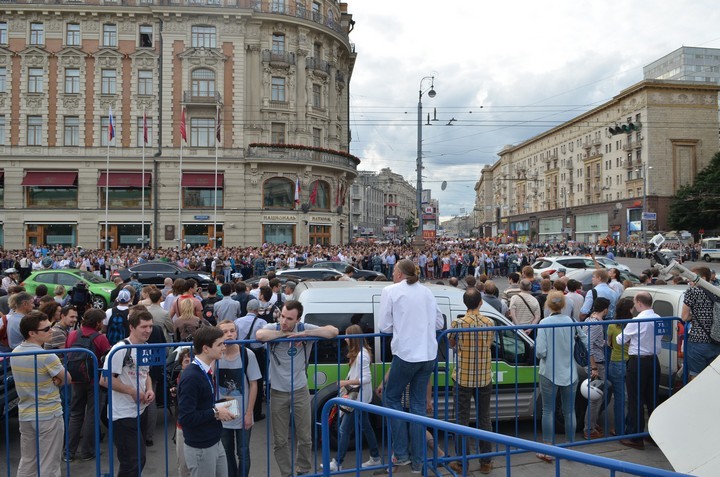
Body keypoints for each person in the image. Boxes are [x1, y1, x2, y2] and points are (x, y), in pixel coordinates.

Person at [256, 300, 339, 477]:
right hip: (277, 391)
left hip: (300, 389)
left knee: (305, 437)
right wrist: (283, 334)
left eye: (289, 319)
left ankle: (303, 471)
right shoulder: (275, 326)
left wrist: (306, 334)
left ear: (298, 319)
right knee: (280, 440)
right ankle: (287, 474)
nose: (284, 321)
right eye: (283, 316)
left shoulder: (303, 327)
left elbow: (333, 331)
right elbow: (260, 335)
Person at [377, 258, 444, 474]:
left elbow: (384, 326)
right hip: (428, 354)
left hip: (407, 354)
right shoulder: (427, 291)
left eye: (395, 270)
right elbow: (439, 323)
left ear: (399, 274)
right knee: (417, 407)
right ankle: (418, 461)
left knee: (391, 397)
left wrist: (403, 324)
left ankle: (402, 454)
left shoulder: (391, 291)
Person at [100, 308, 155, 477]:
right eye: (143, 327)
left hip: (140, 410)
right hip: (122, 414)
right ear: (132, 327)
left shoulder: (146, 347)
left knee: (139, 459)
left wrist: (150, 389)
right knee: (132, 461)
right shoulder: (120, 349)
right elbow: (105, 379)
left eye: (150, 326)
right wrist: (131, 391)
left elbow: (145, 374)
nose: (148, 331)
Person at [13, 310, 66, 477]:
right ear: (32, 333)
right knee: (49, 464)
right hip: (48, 415)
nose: (51, 331)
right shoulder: (46, 356)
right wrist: (57, 380)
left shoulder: (15, 352)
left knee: (28, 461)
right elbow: (67, 378)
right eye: (46, 329)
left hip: (26, 413)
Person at [535, 291, 586, 462]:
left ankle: (548, 449)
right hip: (570, 371)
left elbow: (540, 351)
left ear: (548, 305)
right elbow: (585, 342)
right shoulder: (572, 321)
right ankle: (570, 447)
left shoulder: (544, 323)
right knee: (569, 410)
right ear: (564, 305)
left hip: (549, 371)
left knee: (548, 410)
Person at [178, 326, 235, 477]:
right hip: (200, 447)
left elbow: (201, 404)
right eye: (219, 344)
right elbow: (186, 417)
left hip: (214, 441)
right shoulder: (192, 377)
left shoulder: (204, 371)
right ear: (206, 348)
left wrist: (220, 404)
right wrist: (216, 412)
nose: (224, 347)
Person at [447, 288, 494, 474]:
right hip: (483, 376)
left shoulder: (458, 323)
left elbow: (451, 343)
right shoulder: (489, 322)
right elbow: (489, 344)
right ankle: (486, 461)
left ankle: (461, 462)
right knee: (484, 418)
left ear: (465, 304)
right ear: (480, 302)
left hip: (463, 377)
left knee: (461, 420)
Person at [327, 324, 381, 472]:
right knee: (366, 427)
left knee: (344, 429)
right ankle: (375, 457)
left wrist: (345, 382)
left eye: (347, 336)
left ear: (353, 338)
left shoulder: (361, 355)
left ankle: (338, 463)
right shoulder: (361, 353)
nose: (345, 339)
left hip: (358, 398)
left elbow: (366, 378)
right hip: (360, 397)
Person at [65, 308, 111, 462]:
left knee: (75, 415)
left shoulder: (72, 334)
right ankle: (87, 451)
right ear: (97, 322)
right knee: (92, 415)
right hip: (94, 381)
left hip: (75, 379)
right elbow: (108, 356)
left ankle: (69, 452)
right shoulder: (100, 338)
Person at [617, 291, 661, 450]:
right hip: (653, 360)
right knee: (652, 399)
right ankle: (655, 435)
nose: (634, 305)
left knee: (636, 399)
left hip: (638, 362)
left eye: (635, 302)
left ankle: (636, 437)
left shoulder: (637, 320)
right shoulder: (658, 318)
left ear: (640, 303)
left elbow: (620, 340)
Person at [217, 320, 261, 477]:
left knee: (243, 452)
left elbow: (254, 384)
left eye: (232, 330)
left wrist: (249, 413)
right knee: (226, 450)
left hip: (243, 412)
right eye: (224, 332)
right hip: (223, 411)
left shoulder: (247, 354)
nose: (229, 334)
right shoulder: (216, 355)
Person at [681, 267, 720, 378]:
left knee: (696, 377)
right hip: (716, 340)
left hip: (698, 341)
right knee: (713, 377)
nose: (690, 281)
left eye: (692, 278)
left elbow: (684, 317)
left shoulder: (693, 291)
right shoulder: (717, 291)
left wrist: (694, 316)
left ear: (702, 278)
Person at [234, 299, 268, 421]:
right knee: (257, 382)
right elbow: (265, 341)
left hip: (241, 353)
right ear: (257, 310)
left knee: (241, 381)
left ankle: (239, 410)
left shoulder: (237, 321)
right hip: (257, 354)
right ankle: (256, 412)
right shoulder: (262, 322)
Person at [583, 297, 610, 440]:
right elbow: (589, 345)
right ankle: (589, 428)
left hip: (594, 361)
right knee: (596, 396)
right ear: (605, 309)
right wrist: (594, 367)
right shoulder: (596, 324)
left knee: (596, 396)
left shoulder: (589, 320)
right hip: (596, 363)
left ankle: (592, 424)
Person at [607, 297, 632, 436]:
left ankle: (619, 429)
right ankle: (630, 427)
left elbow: (609, 343)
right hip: (631, 361)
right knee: (631, 397)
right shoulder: (635, 324)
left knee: (619, 398)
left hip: (616, 361)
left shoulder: (612, 325)